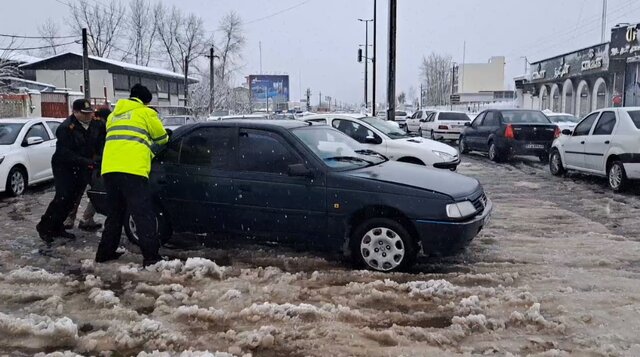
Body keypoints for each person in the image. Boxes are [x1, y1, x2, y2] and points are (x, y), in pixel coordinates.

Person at [95, 84, 168, 266]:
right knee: (143, 214)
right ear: (145, 101)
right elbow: (162, 138)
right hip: (133, 170)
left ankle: (104, 253)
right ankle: (151, 258)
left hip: (110, 170)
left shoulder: (113, 116)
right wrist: (150, 152)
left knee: (115, 214)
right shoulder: (145, 113)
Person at [37, 99, 106, 243]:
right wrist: (87, 161)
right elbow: (65, 153)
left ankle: (58, 226)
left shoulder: (97, 125)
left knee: (72, 199)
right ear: (75, 112)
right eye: (84, 113)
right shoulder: (66, 128)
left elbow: (101, 143)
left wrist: (97, 159)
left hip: (84, 167)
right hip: (65, 167)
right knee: (62, 197)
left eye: (90, 113)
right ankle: (45, 226)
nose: (88, 116)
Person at [64, 108, 112, 231]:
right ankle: (83, 218)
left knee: (84, 190)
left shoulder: (91, 126)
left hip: (86, 162)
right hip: (93, 163)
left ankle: (72, 218)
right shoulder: (99, 128)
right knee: (95, 189)